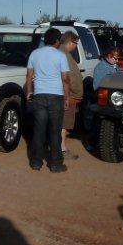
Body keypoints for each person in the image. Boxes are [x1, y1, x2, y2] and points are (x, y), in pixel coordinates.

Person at [25, 27, 70, 173]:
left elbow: (29, 75)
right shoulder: (60, 56)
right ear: (57, 41)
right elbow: (65, 79)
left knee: (39, 131)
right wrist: (67, 97)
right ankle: (56, 164)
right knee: (55, 131)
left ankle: (36, 162)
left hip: (39, 96)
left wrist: (29, 91)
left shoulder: (34, 54)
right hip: (56, 97)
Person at [58, 32, 84, 160]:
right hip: (67, 95)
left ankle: (60, 148)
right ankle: (62, 149)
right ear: (70, 42)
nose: (75, 46)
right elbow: (70, 78)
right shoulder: (65, 55)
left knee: (61, 123)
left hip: (62, 93)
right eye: (75, 43)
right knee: (64, 124)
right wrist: (76, 92)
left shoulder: (59, 53)